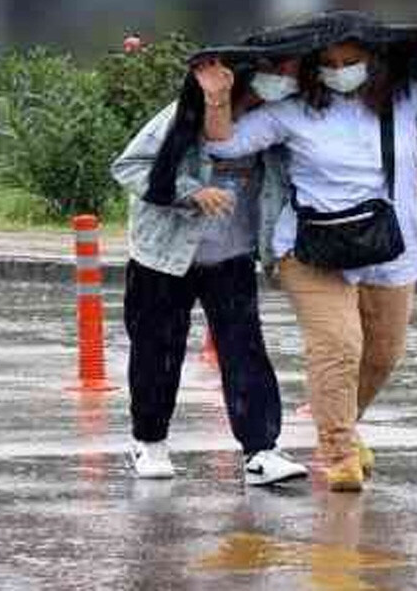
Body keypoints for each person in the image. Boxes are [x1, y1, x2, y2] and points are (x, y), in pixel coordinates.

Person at [194, 11, 417, 491]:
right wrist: (216, 100)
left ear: (373, 61)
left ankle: (345, 425)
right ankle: (337, 453)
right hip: (310, 248)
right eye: (330, 61)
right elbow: (226, 145)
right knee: (338, 346)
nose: (340, 69)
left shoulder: (401, 100)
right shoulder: (293, 111)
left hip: (391, 244)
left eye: (350, 60)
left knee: (382, 353)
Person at [111, 52, 309, 486]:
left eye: (290, 77)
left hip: (231, 256)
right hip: (163, 257)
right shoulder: (182, 116)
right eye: (276, 75)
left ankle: (261, 450)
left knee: (245, 353)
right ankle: (149, 442)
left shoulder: (274, 127)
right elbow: (129, 165)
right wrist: (190, 191)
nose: (282, 84)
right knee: (158, 353)